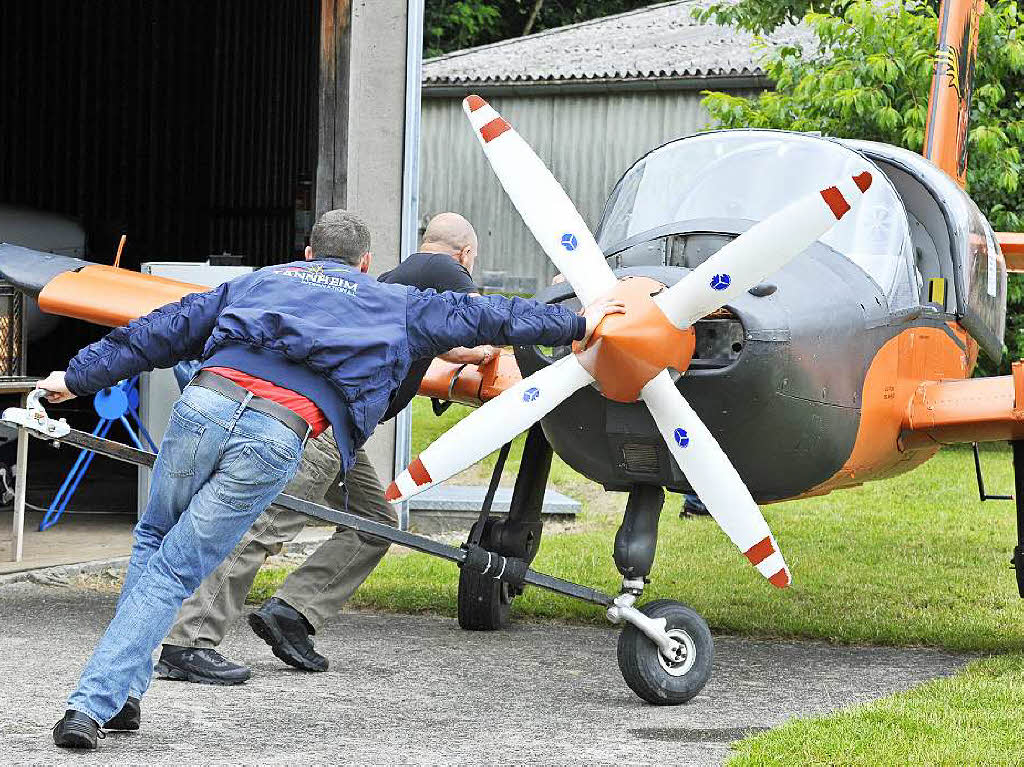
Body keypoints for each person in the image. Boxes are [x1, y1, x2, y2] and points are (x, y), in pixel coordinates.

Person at [43, 209, 625, 750]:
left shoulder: (259, 281)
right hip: (277, 431)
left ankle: (122, 692)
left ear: (306, 251)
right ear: (365, 263)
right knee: (173, 566)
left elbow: (158, 329)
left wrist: (76, 376)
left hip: (203, 406)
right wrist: (581, 321)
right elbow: (495, 314)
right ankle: (91, 705)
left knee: (155, 545)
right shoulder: (394, 302)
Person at [156, 212, 498, 684]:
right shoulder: (443, 270)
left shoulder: (394, 283)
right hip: (318, 429)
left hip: (342, 432)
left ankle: (293, 613)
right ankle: (187, 642)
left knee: (375, 525)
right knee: (261, 527)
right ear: (465, 253)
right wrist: (492, 352)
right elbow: (476, 333)